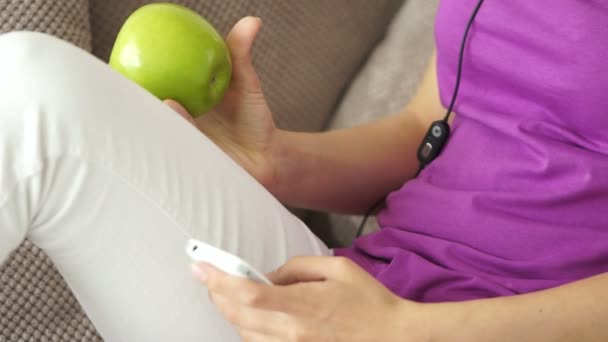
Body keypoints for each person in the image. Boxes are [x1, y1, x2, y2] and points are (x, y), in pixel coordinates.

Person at [1, 1, 607, 341]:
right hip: (349, 299)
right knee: (33, 90)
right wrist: (278, 163)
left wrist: (406, 333)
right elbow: (429, 125)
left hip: (477, 329)